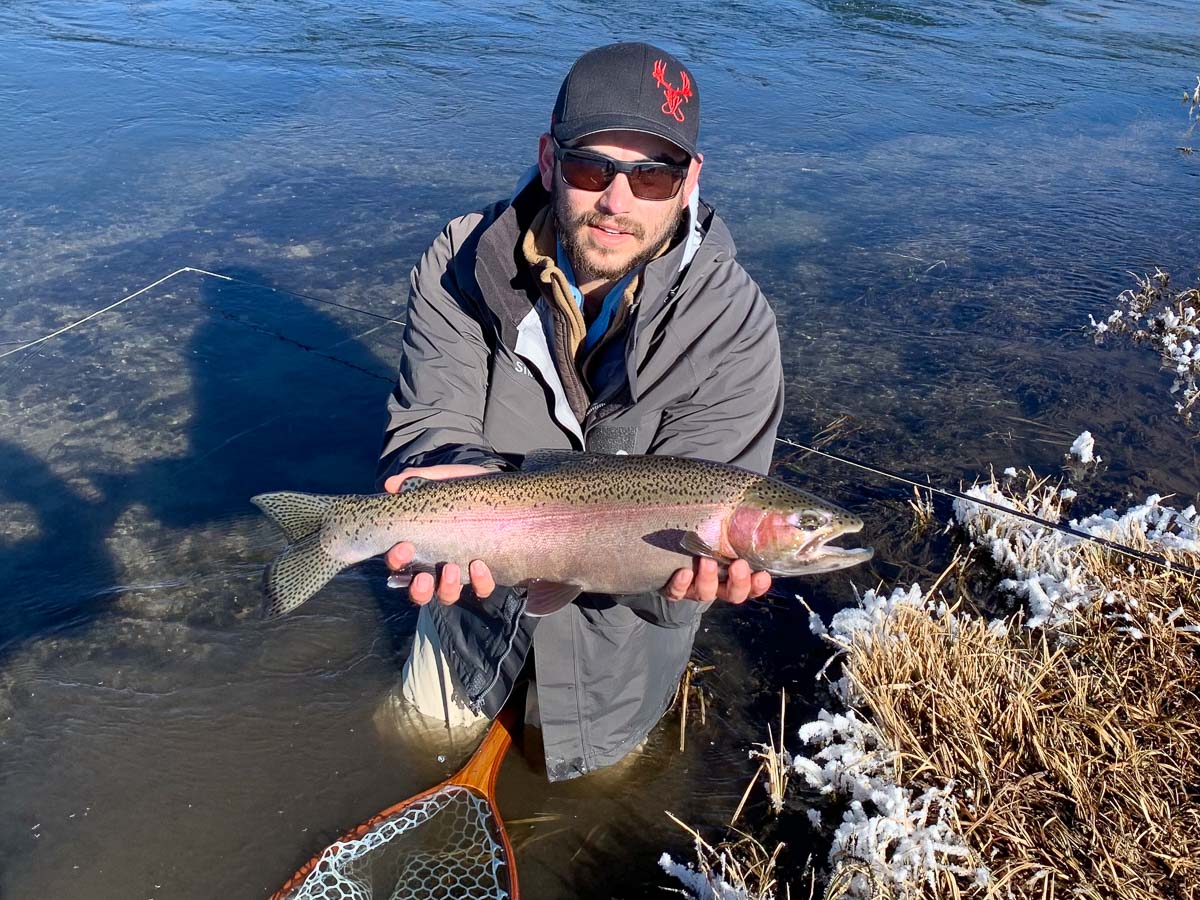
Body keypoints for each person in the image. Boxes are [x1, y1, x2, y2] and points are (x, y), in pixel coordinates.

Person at [376, 42, 784, 781]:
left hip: (617, 660)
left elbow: (683, 568)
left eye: (652, 174)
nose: (617, 202)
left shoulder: (736, 326)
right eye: (593, 168)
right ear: (548, 160)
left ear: (690, 181)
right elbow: (429, 422)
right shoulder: (459, 264)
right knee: (407, 743)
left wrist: (683, 583)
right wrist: (434, 474)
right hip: (470, 604)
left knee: (601, 783)